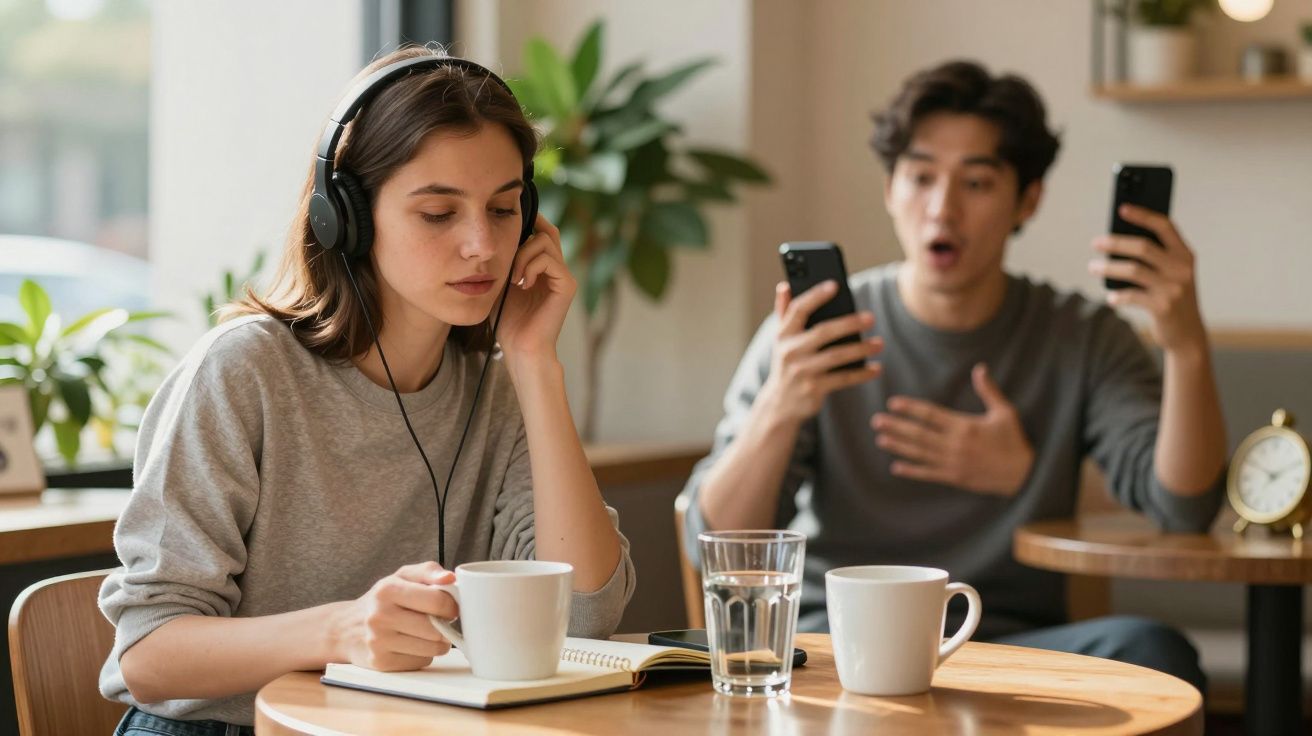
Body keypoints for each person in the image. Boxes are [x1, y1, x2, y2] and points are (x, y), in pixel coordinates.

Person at [100, 47, 635, 735]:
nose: (482, 244)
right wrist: (341, 630)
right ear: (345, 220)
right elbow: (146, 655)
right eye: (438, 214)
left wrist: (535, 363)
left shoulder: (501, 391)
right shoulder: (243, 373)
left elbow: (585, 614)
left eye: (504, 210)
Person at [679, 60, 1225, 694]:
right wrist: (781, 405)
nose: (942, 208)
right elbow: (710, 545)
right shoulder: (809, 334)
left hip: (1014, 648)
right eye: (919, 177)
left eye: (977, 182)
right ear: (889, 189)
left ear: (1028, 199)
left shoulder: (1084, 336)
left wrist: (1185, 344)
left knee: (1151, 650)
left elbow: (1184, 508)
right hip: (837, 648)